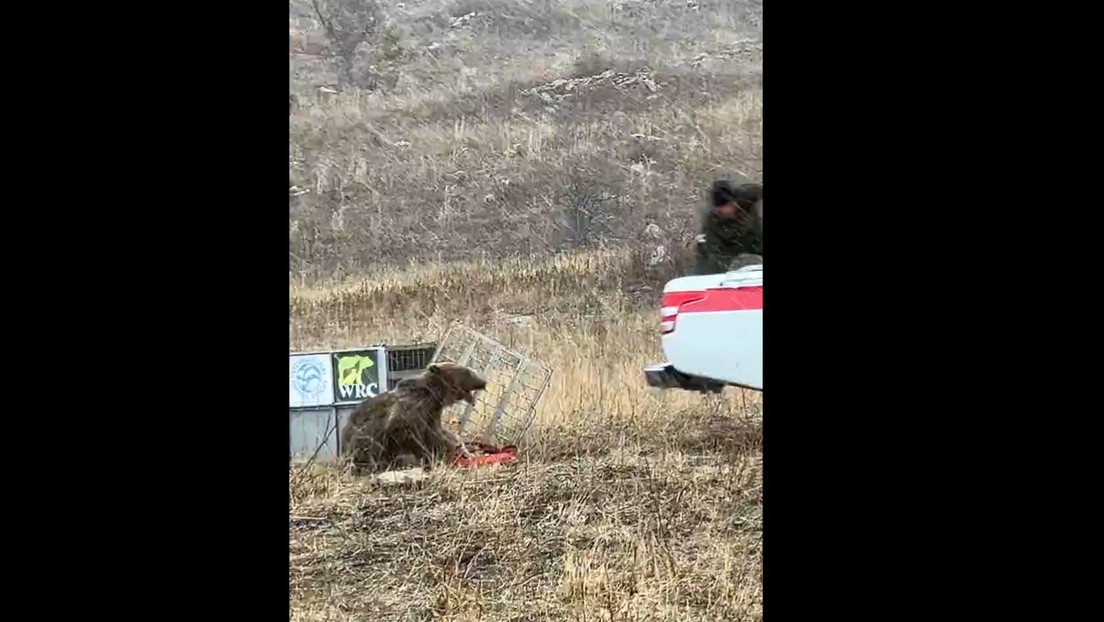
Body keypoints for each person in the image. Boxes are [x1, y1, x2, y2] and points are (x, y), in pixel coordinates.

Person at [693, 178, 763, 274]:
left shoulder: (746, 200)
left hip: (755, 242)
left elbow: (757, 191)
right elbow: (714, 254)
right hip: (735, 257)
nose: (722, 212)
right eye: (719, 210)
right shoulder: (713, 224)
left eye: (725, 208)